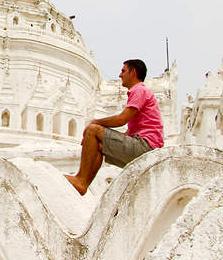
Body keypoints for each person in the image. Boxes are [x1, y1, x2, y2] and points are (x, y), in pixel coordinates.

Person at [65, 59, 164, 195]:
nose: (120, 75)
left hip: (144, 147)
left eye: (123, 71)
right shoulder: (139, 93)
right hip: (144, 146)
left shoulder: (139, 90)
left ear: (133, 72)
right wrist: (91, 140)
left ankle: (80, 179)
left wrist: (94, 124)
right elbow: (126, 131)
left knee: (92, 130)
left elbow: (121, 119)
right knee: (98, 145)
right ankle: (83, 184)